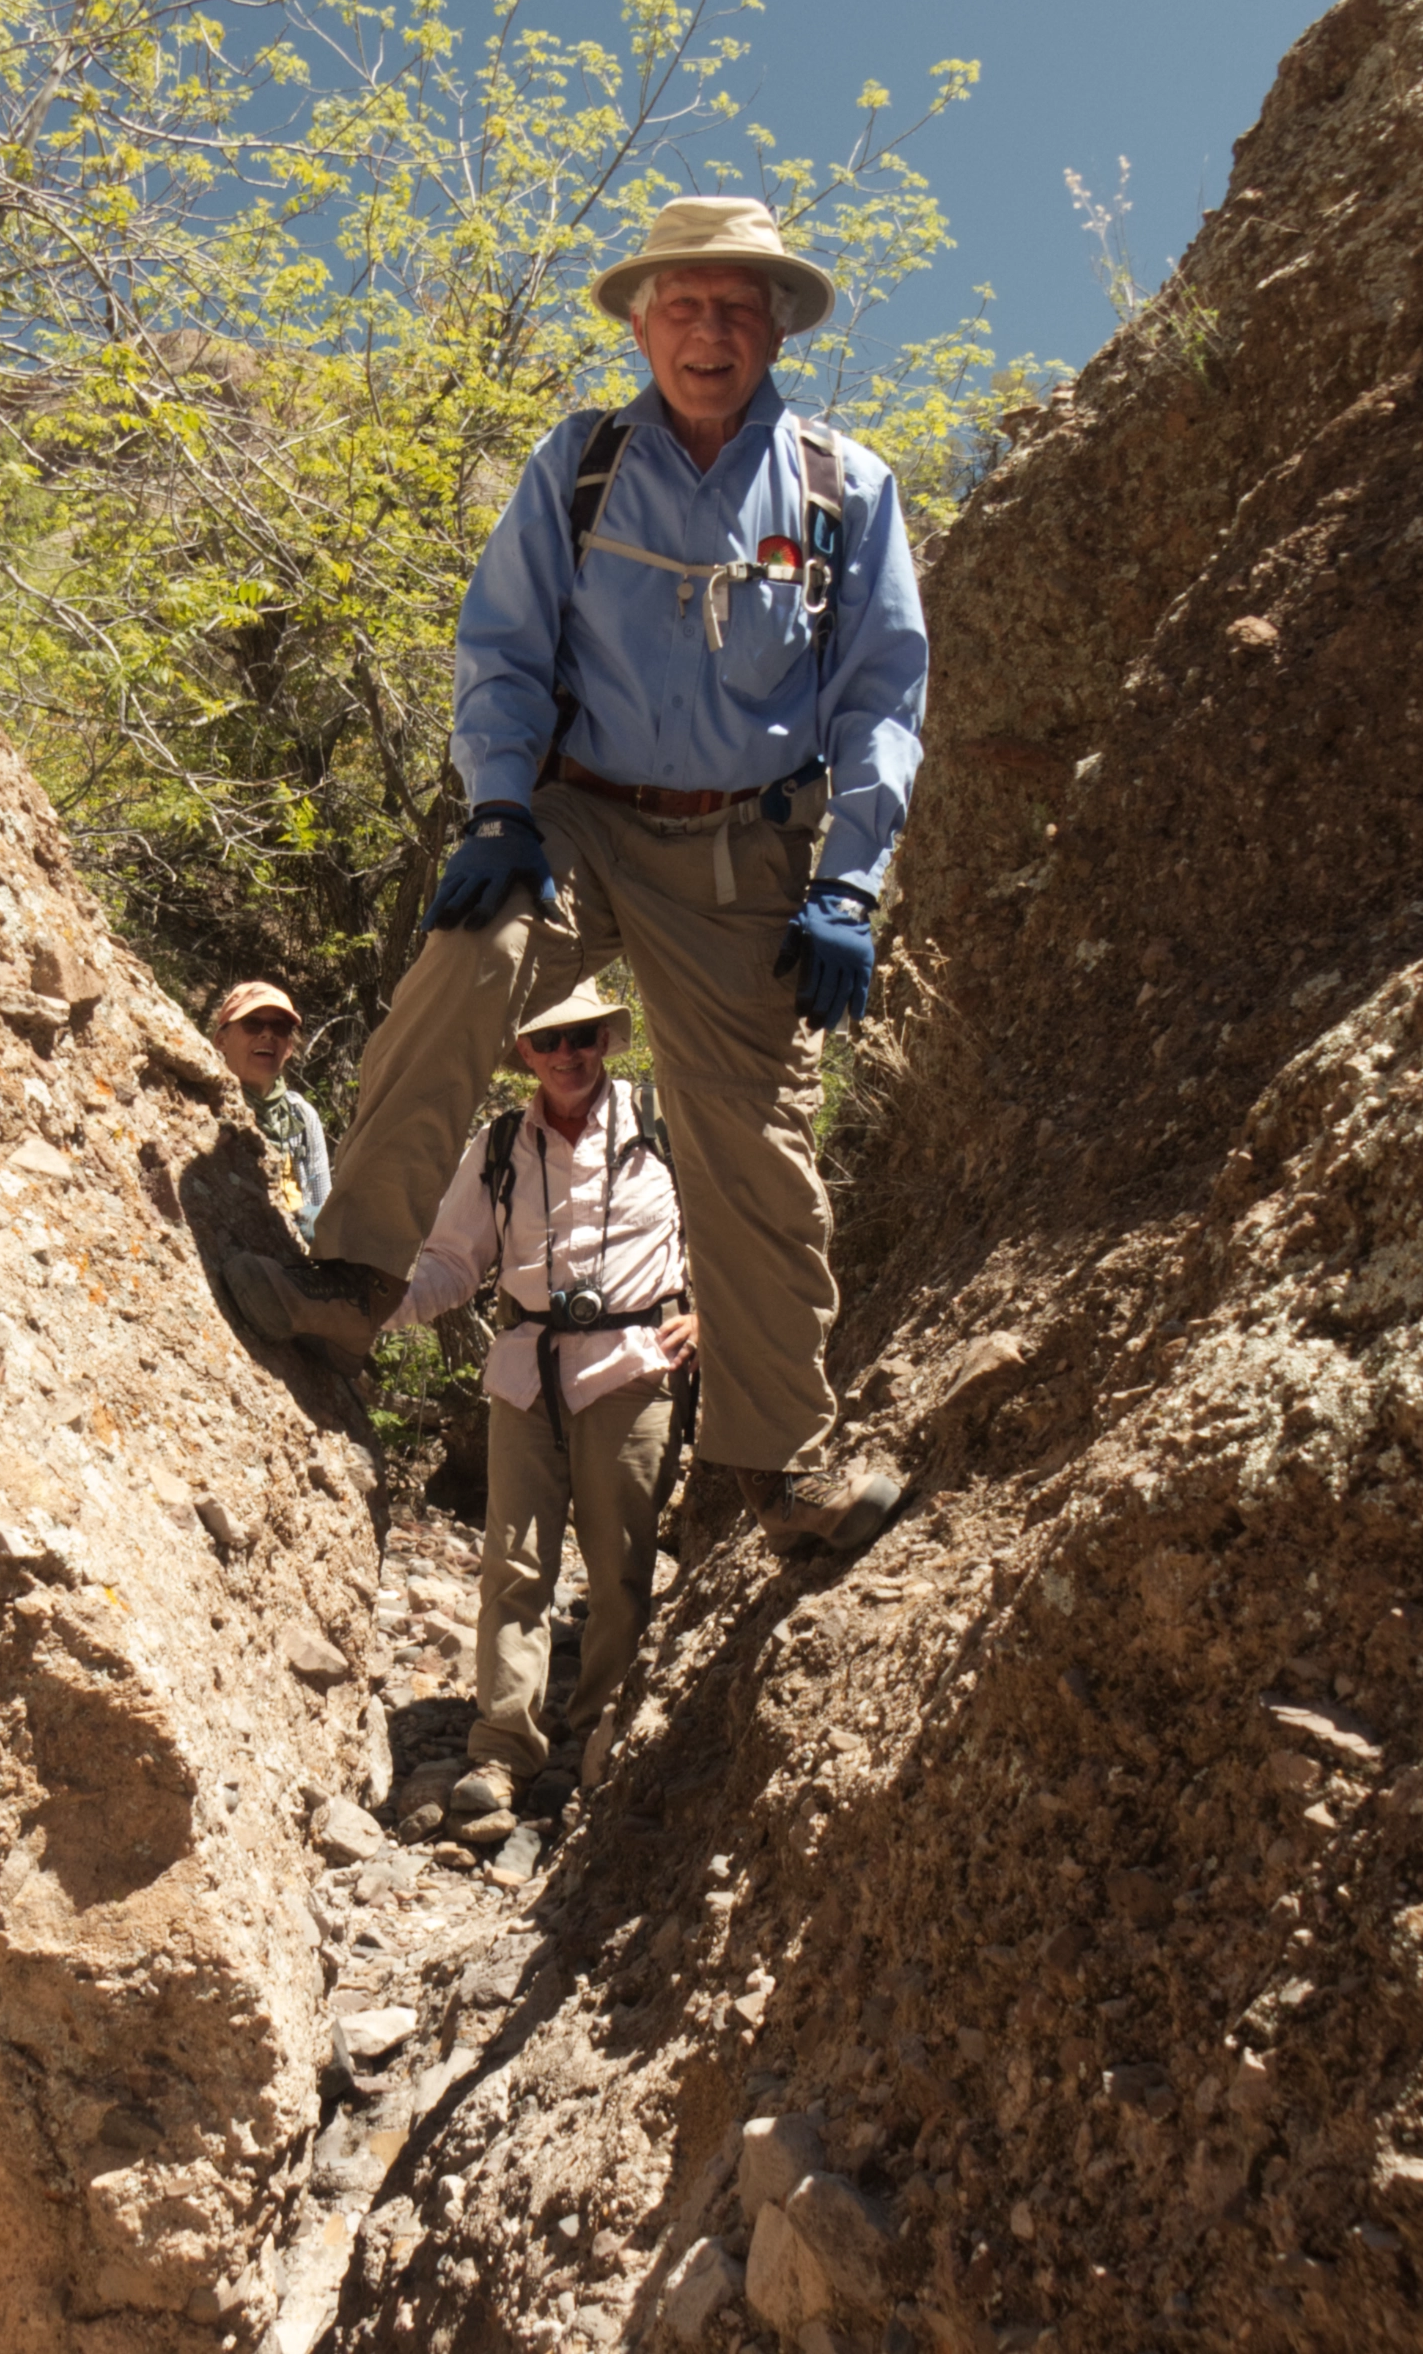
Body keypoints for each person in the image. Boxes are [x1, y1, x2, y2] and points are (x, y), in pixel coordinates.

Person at [222, 196, 927, 1560]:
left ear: (777, 323)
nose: (707, 331)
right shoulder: (581, 463)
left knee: (755, 1149)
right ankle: (354, 1278)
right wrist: (496, 810)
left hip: (743, 852)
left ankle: (780, 1475)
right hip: (579, 815)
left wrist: (848, 883)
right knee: (465, 963)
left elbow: (883, 703)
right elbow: (501, 643)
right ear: (642, 322)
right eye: (681, 305)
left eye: (735, 306)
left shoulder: (848, 490)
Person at [382, 981, 697, 1820]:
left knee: (619, 1569)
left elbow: (732, 1226)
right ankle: (504, 1750)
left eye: (584, 1036)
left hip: (634, 1367)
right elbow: (452, 1264)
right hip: (526, 1373)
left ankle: (600, 1737)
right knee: (513, 1569)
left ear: (606, 1040)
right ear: (525, 1051)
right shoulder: (496, 1148)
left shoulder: (664, 1122)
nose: (569, 1054)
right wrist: (371, 1309)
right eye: (550, 1040)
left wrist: (709, 1313)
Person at [212, 981, 331, 1246]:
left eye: (279, 1027)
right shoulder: (206, 1107)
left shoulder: (302, 1116)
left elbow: (324, 1207)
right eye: (252, 1023)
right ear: (221, 1040)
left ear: (289, 1047)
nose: (267, 1035)